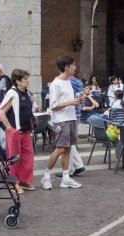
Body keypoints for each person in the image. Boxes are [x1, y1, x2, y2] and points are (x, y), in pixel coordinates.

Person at [41, 56, 82, 190]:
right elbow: (53, 105)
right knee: (60, 149)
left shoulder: (68, 82)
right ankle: (46, 176)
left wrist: (76, 100)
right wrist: (71, 102)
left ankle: (65, 178)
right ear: (67, 68)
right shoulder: (56, 84)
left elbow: (67, 100)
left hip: (71, 119)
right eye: (73, 65)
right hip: (61, 121)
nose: (75, 67)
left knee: (68, 149)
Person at [0, 69, 35, 192]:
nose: (27, 81)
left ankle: (24, 180)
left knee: (28, 156)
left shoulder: (26, 93)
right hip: (15, 131)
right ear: (17, 81)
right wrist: (10, 128)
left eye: (27, 78)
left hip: (25, 131)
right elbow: (1, 112)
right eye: (25, 79)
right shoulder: (12, 93)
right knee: (14, 158)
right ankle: (14, 182)